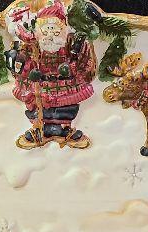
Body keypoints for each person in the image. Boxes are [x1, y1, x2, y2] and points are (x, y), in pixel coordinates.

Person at [6, 1, 96, 149]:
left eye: (54, 29)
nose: (50, 34)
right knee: (37, 106)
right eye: (46, 29)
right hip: (41, 85)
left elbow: (84, 64)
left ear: (62, 28)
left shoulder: (70, 43)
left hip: (66, 84)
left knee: (67, 106)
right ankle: (40, 128)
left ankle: (64, 129)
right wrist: (27, 69)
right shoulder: (33, 45)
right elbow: (24, 64)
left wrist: (72, 67)